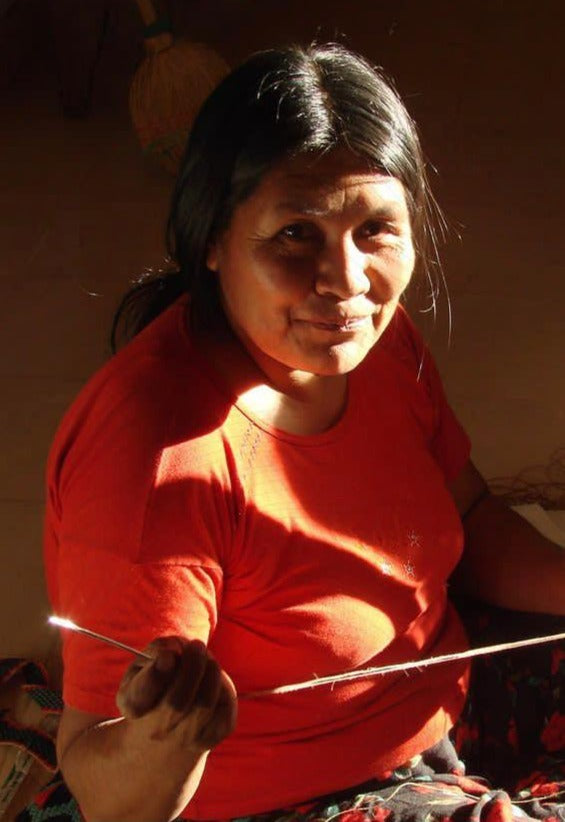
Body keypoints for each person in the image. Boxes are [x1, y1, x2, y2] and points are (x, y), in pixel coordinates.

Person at [42, 43, 564, 822]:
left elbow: (469, 514)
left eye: (375, 230)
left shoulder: (379, 345)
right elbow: (108, 798)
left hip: (433, 703)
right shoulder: (155, 461)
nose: (347, 283)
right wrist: (167, 740)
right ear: (211, 239)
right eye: (295, 234)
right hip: (290, 794)